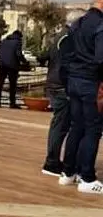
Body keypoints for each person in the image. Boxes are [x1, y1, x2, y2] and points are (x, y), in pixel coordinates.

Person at [59, 0, 103, 194]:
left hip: (74, 80)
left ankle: (68, 173)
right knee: (92, 129)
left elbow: (66, 53)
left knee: (76, 126)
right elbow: (101, 59)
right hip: (90, 82)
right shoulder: (100, 25)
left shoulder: (78, 23)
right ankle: (87, 177)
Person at [38, 14, 84, 176]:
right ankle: (52, 163)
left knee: (60, 125)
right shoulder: (67, 39)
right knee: (61, 125)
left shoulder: (61, 36)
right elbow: (66, 64)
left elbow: (46, 57)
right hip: (61, 87)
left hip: (56, 85)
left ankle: (54, 161)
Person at [0, 30, 28, 109]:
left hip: (2, 64)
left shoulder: (4, 41)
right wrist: (25, 62)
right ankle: (12, 103)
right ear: (19, 36)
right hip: (12, 66)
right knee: (12, 85)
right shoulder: (17, 42)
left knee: (0, 83)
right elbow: (18, 54)